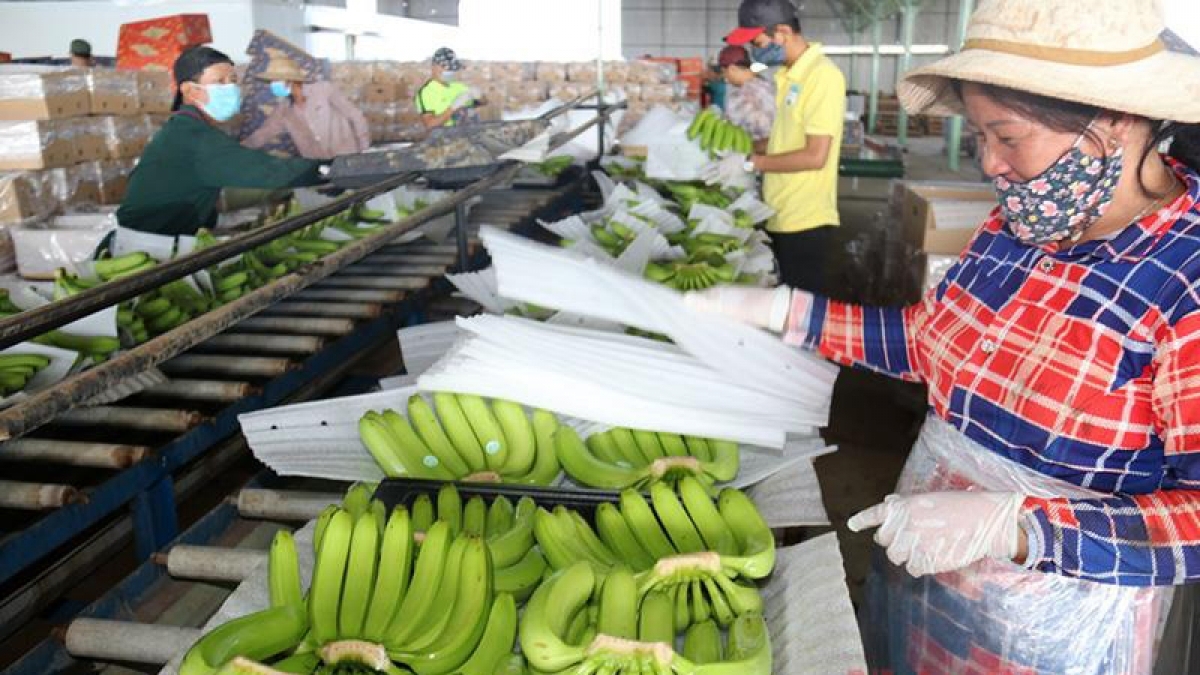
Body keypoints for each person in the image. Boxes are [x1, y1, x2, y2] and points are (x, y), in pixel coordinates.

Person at [686, 1, 1200, 672]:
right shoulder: (1016, 229)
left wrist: (1017, 526)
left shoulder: (1183, 283)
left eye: (1007, 136)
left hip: (1054, 630)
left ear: (1112, 126)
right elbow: (931, 345)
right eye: (977, 133)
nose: (989, 162)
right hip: (926, 579)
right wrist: (789, 312)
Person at [708, 0, 846, 296]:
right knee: (782, 306)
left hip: (804, 218)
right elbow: (783, 139)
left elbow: (815, 155)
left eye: (757, 42)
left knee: (801, 314)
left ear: (782, 32)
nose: (755, 52)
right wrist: (741, 150)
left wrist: (750, 163)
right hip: (779, 210)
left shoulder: (821, 76)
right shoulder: (788, 76)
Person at [117, 46, 326, 237]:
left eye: (233, 80)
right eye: (220, 82)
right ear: (190, 91)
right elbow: (268, 171)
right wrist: (333, 170)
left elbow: (185, 190)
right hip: (146, 245)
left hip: (167, 234)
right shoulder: (194, 136)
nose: (232, 88)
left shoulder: (186, 127)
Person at [243, 54, 370, 159]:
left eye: (276, 81)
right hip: (319, 163)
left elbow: (355, 116)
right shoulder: (283, 110)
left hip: (347, 155)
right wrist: (238, 149)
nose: (272, 85)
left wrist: (364, 150)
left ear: (290, 80)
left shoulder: (323, 90)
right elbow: (264, 134)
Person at [717, 45, 774, 142]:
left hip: (755, 150)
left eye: (724, 72)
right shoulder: (766, 84)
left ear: (732, 69)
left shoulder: (742, 95)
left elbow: (733, 127)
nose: (725, 78)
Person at [415, 47, 478, 129]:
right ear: (434, 66)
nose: (448, 71)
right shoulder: (426, 92)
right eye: (444, 66)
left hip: (470, 134)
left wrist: (479, 96)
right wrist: (453, 108)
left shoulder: (459, 86)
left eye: (451, 68)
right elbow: (430, 124)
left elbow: (480, 104)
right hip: (446, 139)